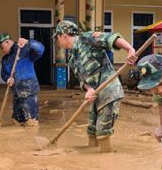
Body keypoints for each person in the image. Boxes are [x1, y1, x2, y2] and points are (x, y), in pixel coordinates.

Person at [53, 20, 137, 152]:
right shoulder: (72, 59)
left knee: (103, 131)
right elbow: (82, 80)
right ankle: (91, 157)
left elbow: (113, 38)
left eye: (57, 38)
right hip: (95, 95)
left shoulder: (88, 39)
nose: (57, 42)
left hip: (109, 91)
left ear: (63, 35)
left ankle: (106, 159)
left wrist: (130, 49)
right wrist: (89, 89)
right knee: (91, 130)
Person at [0, 33, 45, 127]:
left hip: (29, 89)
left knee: (31, 122)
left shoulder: (24, 50)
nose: (2, 50)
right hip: (16, 92)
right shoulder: (5, 59)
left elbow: (41, 49)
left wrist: (28, 42)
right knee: (17, 121)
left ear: (7, 42)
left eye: (2, 47)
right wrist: (8, 79)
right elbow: (3, 74)